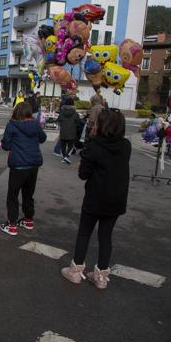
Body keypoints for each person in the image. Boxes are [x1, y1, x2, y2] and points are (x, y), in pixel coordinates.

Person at [61, 109, 131, 289]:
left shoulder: (94, 145)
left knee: (85, 232)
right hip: (116, 198)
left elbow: (84, 174)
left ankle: (76, 271)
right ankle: (101, 276)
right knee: (106, 236)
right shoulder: (125, 146)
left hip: (96, 197)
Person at [0, 102, 47, 236]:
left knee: (13, 195)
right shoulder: (35, 124)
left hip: (18, 164)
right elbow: (43, 138)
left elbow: (6, 145)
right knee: (28, 193)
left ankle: (12, 224)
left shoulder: (12, 125)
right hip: (33, 165)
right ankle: (28, 219)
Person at [57, 98, 80, 164]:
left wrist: (62, 125)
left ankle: (64, 157)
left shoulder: (62, 112)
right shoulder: (75, 114)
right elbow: (78, 123)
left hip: (63, 131)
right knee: (71, 146)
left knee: (63, 146)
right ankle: (66, 157)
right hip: (72, 132)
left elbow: (58, 121)